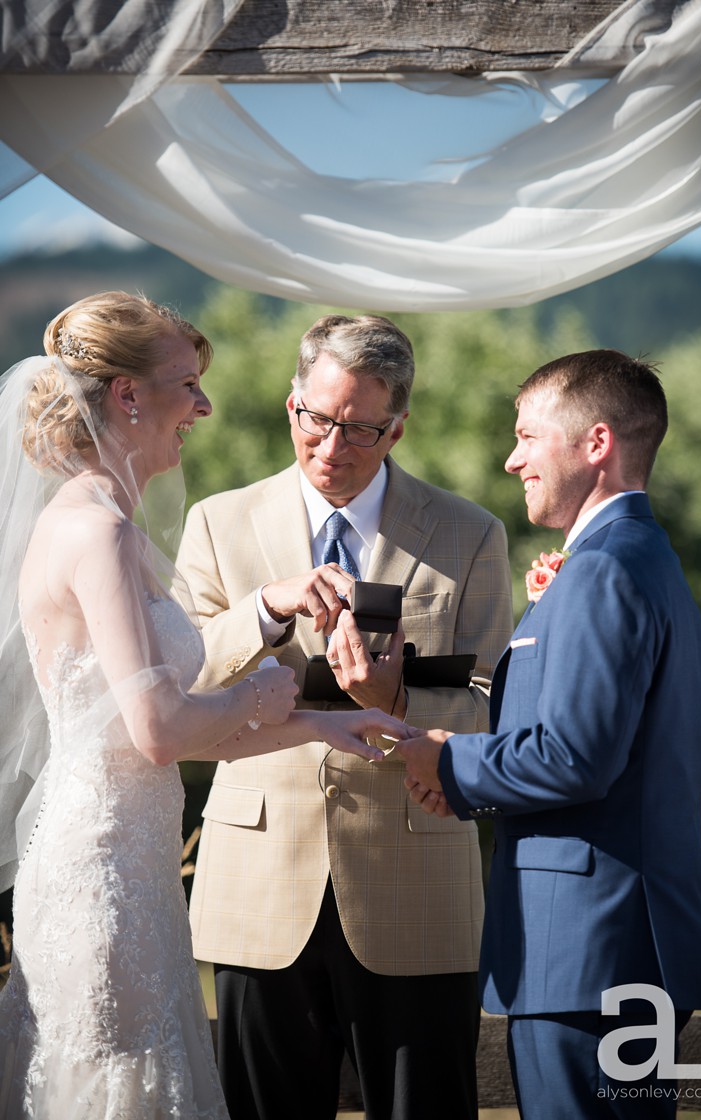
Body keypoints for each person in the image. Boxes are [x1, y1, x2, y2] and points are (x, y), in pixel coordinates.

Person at [0, 292, 405, 1119]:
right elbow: (160, 732)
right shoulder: (96, 531)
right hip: (100, 871)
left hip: (133, 859)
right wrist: (256, 690)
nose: (204, 405)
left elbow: (176, 728)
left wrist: (330, 723)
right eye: (187, 384)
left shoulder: (108, 520)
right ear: (128, 396)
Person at [177, 314, 511, 1120]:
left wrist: (395, 702)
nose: (331, 447)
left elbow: (498, 710)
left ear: (397, 426)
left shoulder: (470, 535)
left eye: (359, 430)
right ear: (292, 403)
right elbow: (179, 683)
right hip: (259, 880)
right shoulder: (218, 524)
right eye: (316, 421)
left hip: (416, 880)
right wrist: (262, 609)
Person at [394, 349, 701, 1119]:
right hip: (605, 950)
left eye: (528, 437)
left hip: (593, 955)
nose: (512, 459)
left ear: (595, 443)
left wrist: (447, 761)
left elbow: (576, 755)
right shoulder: (635, 557)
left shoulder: (605, 569)